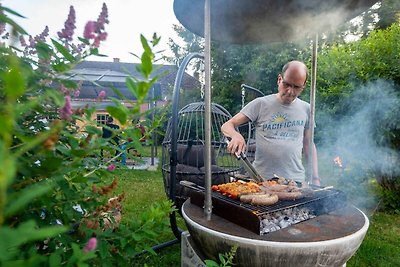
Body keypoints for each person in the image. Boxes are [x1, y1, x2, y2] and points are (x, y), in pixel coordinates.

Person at [221, 60, 320, 186]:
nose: (290, 91)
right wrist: (235, 135)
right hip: (262, 180)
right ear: (279, 79)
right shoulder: (261, 104)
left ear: (303, 86)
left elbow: (308, 143)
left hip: (295, 181)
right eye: (287, 84)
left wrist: (316, 178)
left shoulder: (307, 109)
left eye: (296, 87)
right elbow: (227, 125)